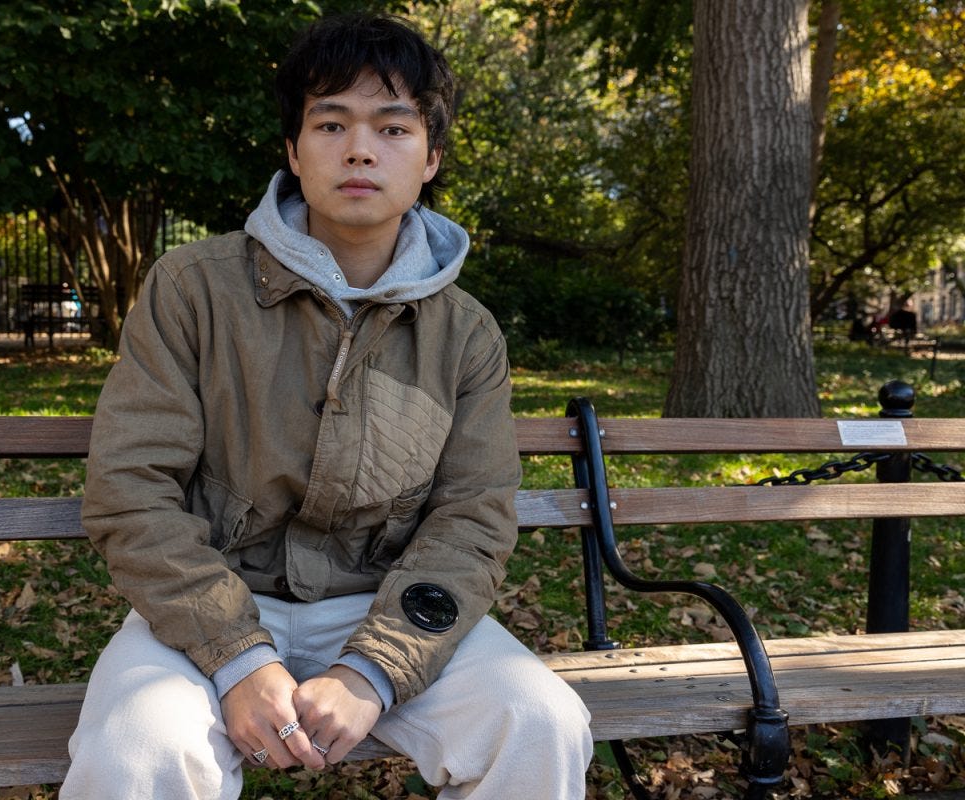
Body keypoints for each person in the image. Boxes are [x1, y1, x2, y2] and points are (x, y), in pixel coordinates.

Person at [61, 13, 592, 799]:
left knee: (540, 722)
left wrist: (376, 667)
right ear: (293, 149)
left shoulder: (466, 334)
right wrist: (238, 657)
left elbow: (472, 520)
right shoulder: (193, 290)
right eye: (331, 122)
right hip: (208, 607)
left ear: (430, 157)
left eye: (393, 127)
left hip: (382, 610)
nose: (360, 149)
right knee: (140, 746)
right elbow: (131, 489)